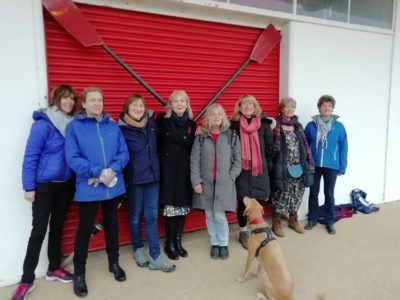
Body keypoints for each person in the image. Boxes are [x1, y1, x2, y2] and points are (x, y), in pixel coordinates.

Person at [12, 85, 77, 300]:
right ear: (56, 99)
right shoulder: (44, 124)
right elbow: (30, 156)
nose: (69, 102)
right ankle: (26, 280)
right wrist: (28, 187)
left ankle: (54, 268)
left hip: (65, 184)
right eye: (65, 98)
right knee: (38, 231)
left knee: (57, 227)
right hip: (45, 185)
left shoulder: (72, 124)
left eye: (71, 99)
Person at [65, 87, 129, 297]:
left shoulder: (112, 126)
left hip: (112, 186)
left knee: (112, 225)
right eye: (92, 100)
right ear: (83, 104)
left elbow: (123, 153)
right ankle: (80, 274)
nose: (97, 104)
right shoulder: (75, 127)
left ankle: (114, 263)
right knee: (84, 230)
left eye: (99, 100)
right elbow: (72, 158)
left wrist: (112, 170)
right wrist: (96, 171)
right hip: (89, 187)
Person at [119, 94, 175, 272]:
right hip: (135, 180)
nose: (138, 108)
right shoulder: (121, 129)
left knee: (151, 216)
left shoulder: (151, 125)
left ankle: (156, 255)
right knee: (135, 215)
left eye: (141, 106)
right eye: (134, 105)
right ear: (127, 108)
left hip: (153, 178)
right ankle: (137, 248)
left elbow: (168, 130)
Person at [190, 104, 242, 259]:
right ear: (208, 117)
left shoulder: (231, 135)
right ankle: (214, 243)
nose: (216, 117)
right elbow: (194, 160)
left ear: (224, 117)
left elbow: (238, 160)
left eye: (220, 114)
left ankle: (223, 244)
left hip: (224, 184)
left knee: (219, 216)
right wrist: (196, 181)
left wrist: (231, 177)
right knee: (209, 216)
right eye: (213, 114)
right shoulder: (200, 136)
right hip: (205, 184)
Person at [230, 95, 274, 249]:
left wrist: (264, 165)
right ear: (240, 107)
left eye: (251, 104)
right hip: (241, 170)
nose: (248, 107)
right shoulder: (233, 125)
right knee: (243, 202)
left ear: (255, 107)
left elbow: (269, 147)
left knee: (257, 202)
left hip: (259, 168)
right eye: (244, 104)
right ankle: (243, 231)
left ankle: (256, 229)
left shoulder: (263, 124)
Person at [157, 90, 196, 260]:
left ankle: (178, 242)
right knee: (171, 209)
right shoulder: (161, 121)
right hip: (167, 170)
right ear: (170, 105)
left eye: (183, 101)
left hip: (184, 171)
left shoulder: (192, 125)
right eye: (176, 101)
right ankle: (169, 243)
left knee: (182, 209)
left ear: (187, 104)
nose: (179, 104)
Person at [270, 97, 314, 237]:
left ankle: (293, 220)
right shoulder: (275, 125)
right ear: (281, 108)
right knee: (281, 194)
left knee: (297, 193)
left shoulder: (298, 126)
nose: (290, 110)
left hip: (298, 166)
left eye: (292, 107)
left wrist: (309, 162)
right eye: (287, 107)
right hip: (282, 166)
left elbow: (305, 145)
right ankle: (276, 222)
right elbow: (270, 147)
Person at [304, 95, 348, 235]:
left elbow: (344, 147)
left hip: (332, 165)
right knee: (313, 193)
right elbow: (305, 145)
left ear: (332, 108)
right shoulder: (311, 125)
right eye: (324, 106)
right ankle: (312, 219)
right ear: (319, 108)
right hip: (314, 165)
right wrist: (306, 163)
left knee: (329, 194)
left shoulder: (339, 127)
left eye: (329, 106)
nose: (327, 108)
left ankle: (330, 221)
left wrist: (342, 165)